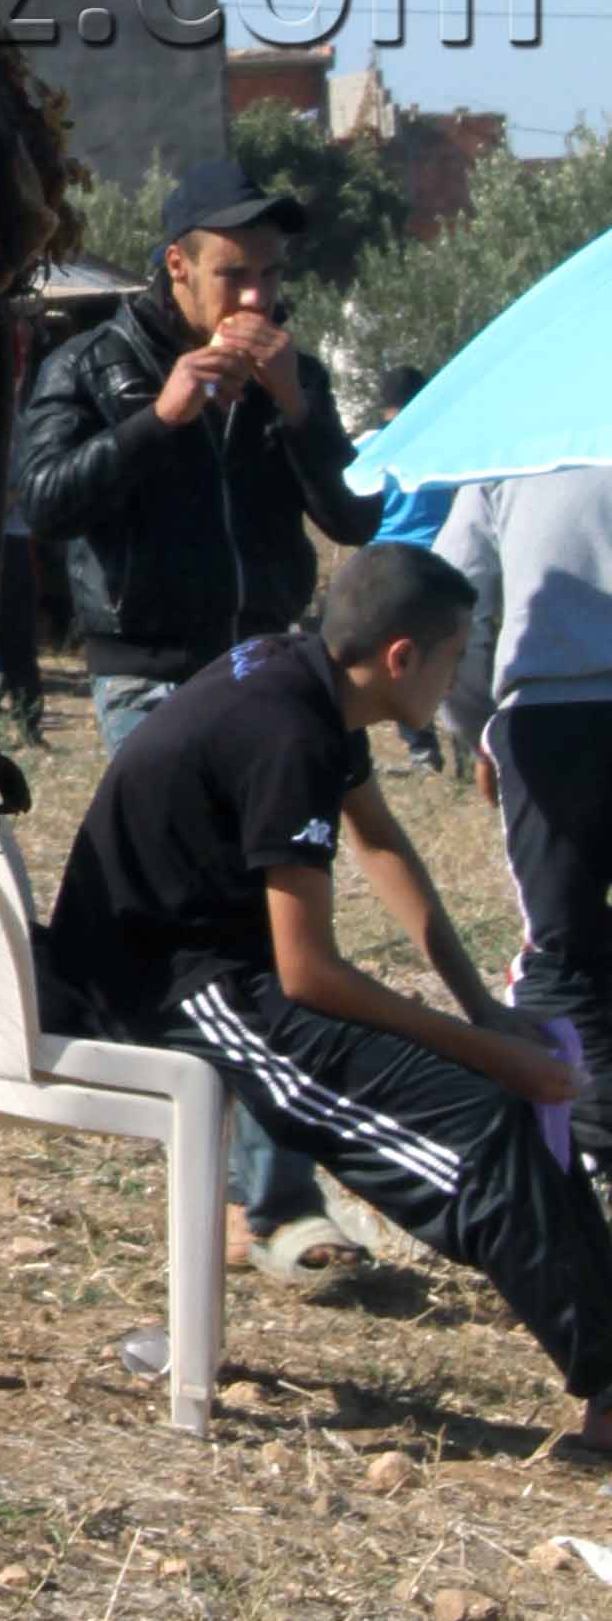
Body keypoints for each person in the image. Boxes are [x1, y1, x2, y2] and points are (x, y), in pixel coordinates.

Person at [39, 543, 612, 1451]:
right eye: (458, 655)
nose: (461, 674)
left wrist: (483, 1011)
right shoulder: (289, 732)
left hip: (228, 964)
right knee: (480, 1134)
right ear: (401, 658)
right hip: (169, 988)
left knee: (501, 1097)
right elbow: (309, 973)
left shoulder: (307, 679)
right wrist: (487, 1053)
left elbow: (381, 843)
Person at [16, 157, 383, 1280]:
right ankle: (273, 1201)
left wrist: (297, 413)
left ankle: (247, 1185)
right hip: (153, 677)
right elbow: (38, 501)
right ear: (174, 267)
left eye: (271, 277)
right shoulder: (94, 364)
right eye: (234, 275)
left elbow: (351, 512)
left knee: (261, 931)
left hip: (268, 671)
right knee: (235, 929)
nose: (256, 301)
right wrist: (164, 420)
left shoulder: (293, 374)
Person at [431, 467, 612, 1175]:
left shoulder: (512, 448)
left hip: (549, 720)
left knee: (560, 943)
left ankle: (587, 1137)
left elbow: (454, 594)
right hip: (546, 717)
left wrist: (474, 722)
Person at [354, 365, 449, 775]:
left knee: (398, 661)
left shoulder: (368, 447)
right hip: (442, 555)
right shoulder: (443, 444)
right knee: (452, 650)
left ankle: (422, 749)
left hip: (388, 564)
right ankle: (472, 740)